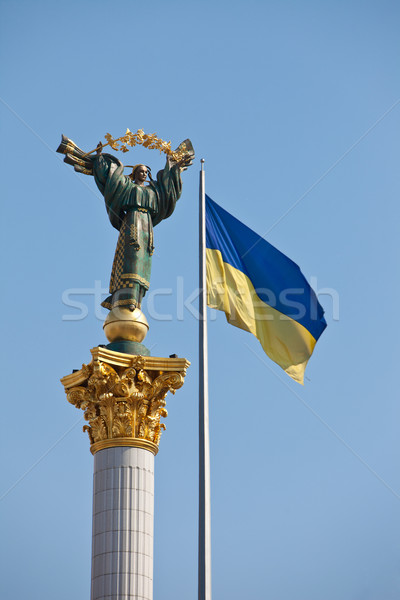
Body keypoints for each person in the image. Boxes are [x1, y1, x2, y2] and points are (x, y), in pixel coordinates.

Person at [57, 135, 194, 311]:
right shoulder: (128, 187)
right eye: (141, 171)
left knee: (144, 264)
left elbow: (168, 190)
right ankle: (124, 297)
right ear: (135, 173)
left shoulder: (154, 191)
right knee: (131, 260)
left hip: (147, 230)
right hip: (132, 224)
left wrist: (175, 167)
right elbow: (112, 179)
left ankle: (137, 300)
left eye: (146, 172)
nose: (144, 174)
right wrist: (100, 160)